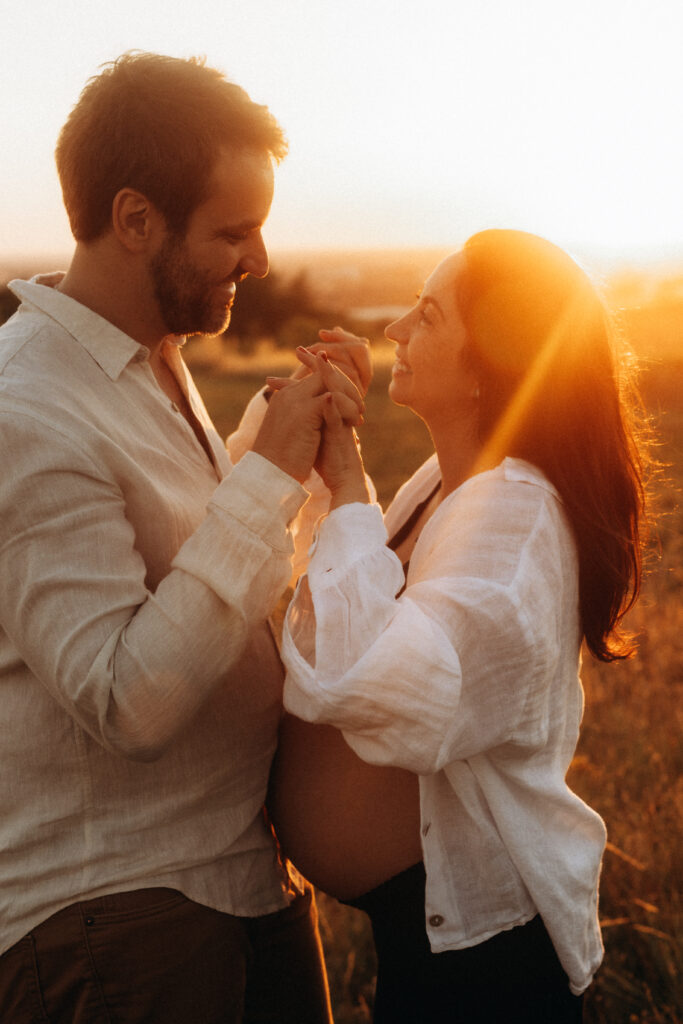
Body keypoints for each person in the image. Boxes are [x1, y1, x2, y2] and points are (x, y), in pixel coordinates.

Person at [0, 51, 370, 1024]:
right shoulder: (27, 408)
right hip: (118, 920)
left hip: (241, 883)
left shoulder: (151, 368)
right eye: (233, 229)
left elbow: (204, 590)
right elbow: (127, 699)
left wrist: (290, 452)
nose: (256, 258)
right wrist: (264, 478)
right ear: (134, 219)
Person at [269, 230, 650, 1023]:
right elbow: (354, 597)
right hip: (434, 951)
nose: (394, 332)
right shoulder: (449, 483)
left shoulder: (512, 516)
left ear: (488, 368)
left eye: (428, 316)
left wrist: (343, 480)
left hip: (487, 973)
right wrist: (341, 468)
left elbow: (397, 694)